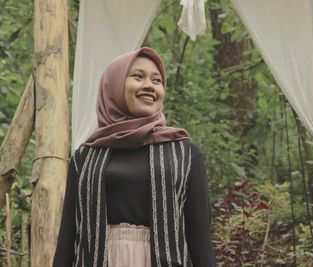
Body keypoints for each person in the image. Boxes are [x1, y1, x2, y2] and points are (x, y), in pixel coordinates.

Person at [53, 47, 216, 267]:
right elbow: (67, 238)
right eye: (138, 77)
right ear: (115, 85)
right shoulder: (85, 157)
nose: (149, 85)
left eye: (157, 80)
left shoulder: (184, 153)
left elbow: (200, 238)